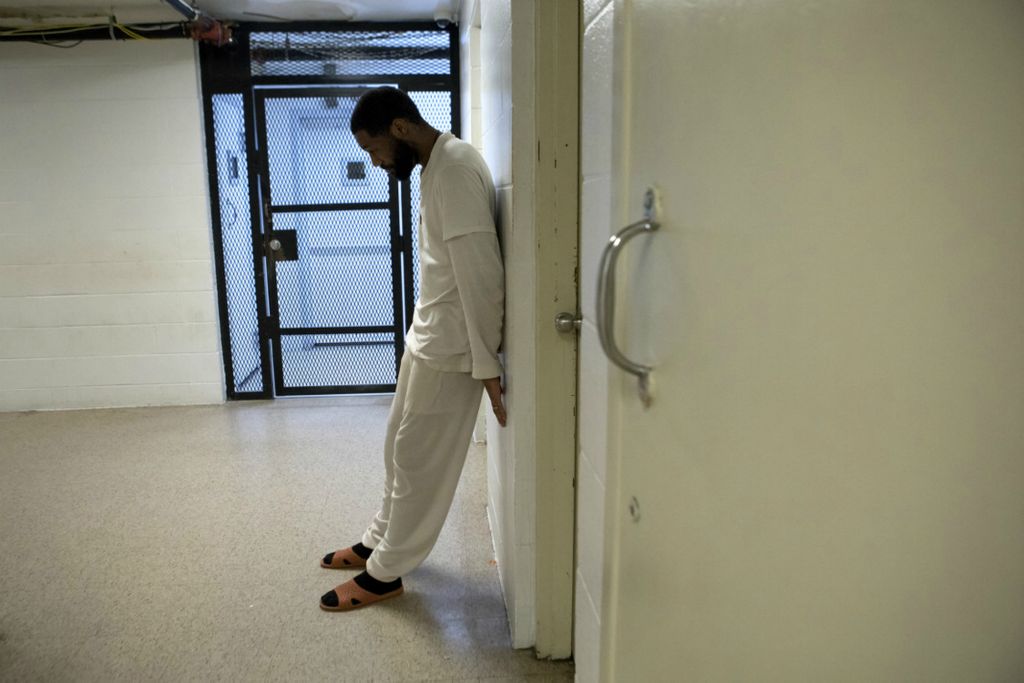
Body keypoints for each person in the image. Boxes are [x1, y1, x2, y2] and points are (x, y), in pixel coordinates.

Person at [319, 87, 506, 612]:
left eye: (375, 150)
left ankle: (387, 573)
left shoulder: (454, 169)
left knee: (419, 462)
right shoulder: (434, 167)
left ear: (399, 128)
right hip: (427, 340)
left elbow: (481, 272)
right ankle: (378, 539)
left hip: (453, 350)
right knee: (396, 451)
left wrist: (487, 363)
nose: (376, 163)